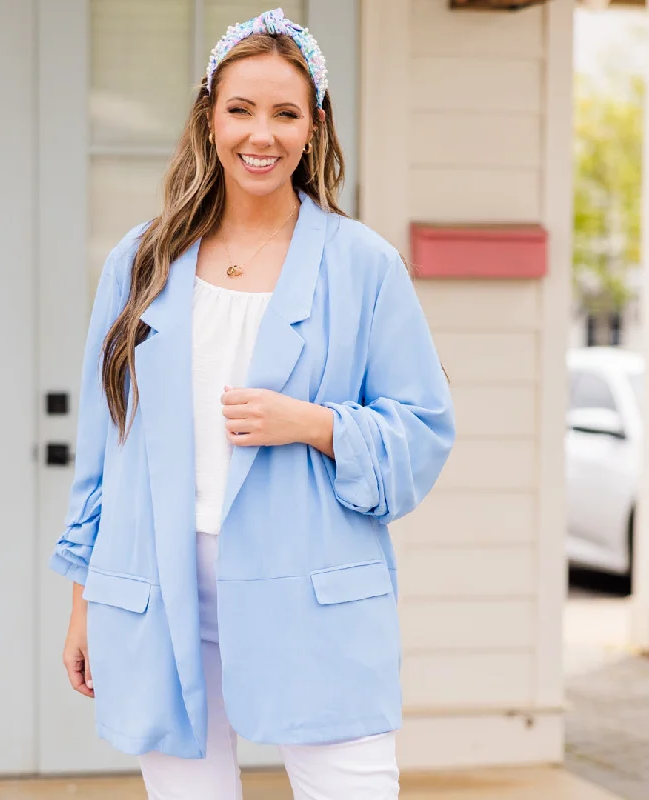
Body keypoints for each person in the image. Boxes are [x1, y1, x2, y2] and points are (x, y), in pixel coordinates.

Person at [49, 8, 454, 799]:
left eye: (285, 113)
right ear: (209, 116)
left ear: (315, 126)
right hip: (158, 589)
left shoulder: (363, 265)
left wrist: (313, 423)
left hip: (312, 587)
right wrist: (82, 603)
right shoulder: (142, 261)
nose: (259, 135)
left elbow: (424, 428)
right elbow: (102, 451)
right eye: (240, 109)